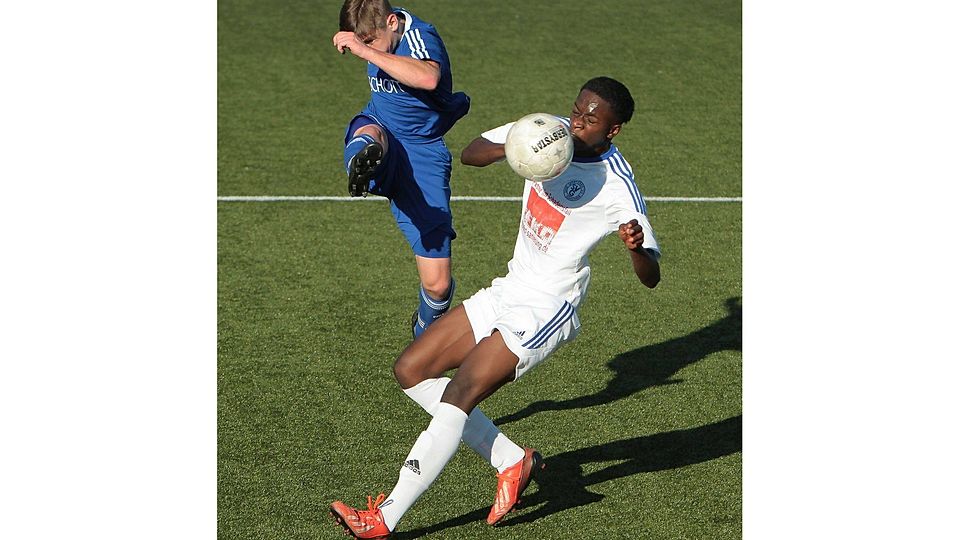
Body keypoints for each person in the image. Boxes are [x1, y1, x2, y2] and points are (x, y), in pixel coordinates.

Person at [330, 76, 661, 539]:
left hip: (547, 306)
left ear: (613, 130)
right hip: (509, 288)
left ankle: (383, 518)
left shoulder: (618, 187)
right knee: (412, 369)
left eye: (591, 120)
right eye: (577, 110)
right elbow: (471, 153)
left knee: (459, 392)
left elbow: (652, 277)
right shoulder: (546, 131)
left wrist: (635, 247)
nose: (577, 122)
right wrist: (523, 146)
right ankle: (512, 461)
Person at [333, 0, 470, 338]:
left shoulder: (421, 36)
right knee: (371, 136)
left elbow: (427, 76)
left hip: (423, 153)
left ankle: (423, 332)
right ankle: (362, 166)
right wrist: (368, 45)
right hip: (382, 126)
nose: (365, 50)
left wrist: (366, 52)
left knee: (437, 285)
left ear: (392, 22)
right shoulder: (376, 31)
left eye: (371, 41)